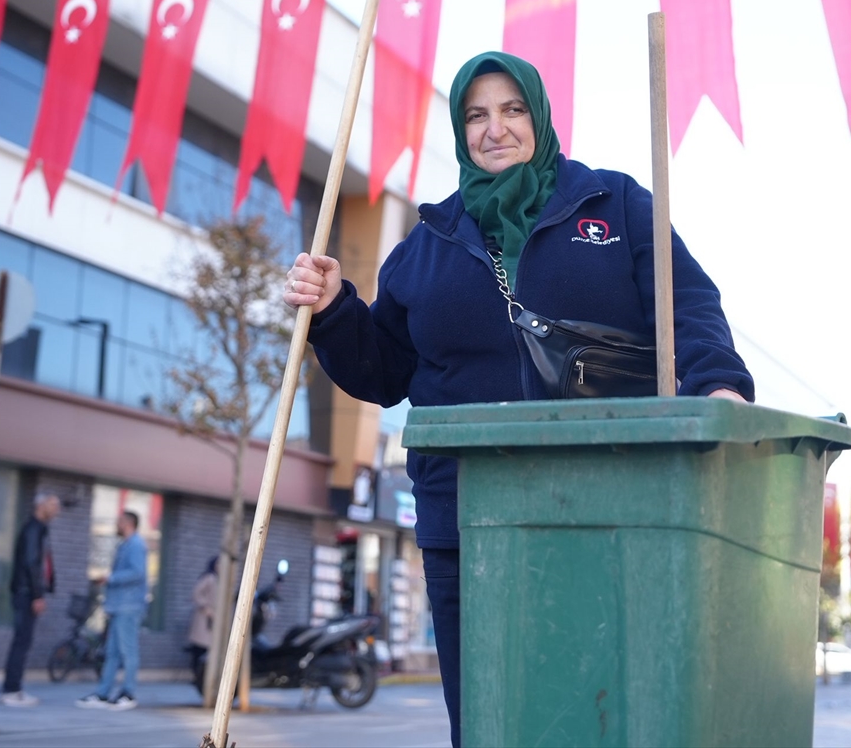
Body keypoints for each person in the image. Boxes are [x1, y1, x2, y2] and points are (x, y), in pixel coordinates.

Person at [283, 51, 754, 747]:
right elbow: (383, 371)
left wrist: (720, 387)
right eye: (476, 115)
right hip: (468, 521)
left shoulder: (614, 204)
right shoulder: (427, 242)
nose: (494, 129)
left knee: (604, 712)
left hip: (611, 506)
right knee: (489, 720)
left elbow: (689, 307)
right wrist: (333, 309)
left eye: (512, 110)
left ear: (539, 117)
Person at [76, 511, 147, 711]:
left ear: (129, 523)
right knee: (112, 652)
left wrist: (111, 578)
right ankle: (103, 693)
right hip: (118, 606)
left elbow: (138, 572)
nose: (117, 524)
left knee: (128, 651)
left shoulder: (136, 545)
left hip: (129, 606)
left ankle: (128, 693)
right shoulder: (125, 545)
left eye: (120, 521)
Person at [0, 491, 60, 707]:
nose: (57, 509)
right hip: (26, 593)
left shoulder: (38, 529)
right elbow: (32, 564)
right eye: (53, 504)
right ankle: (12, 690)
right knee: (22, 641)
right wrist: (37, 595)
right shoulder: (34, 530)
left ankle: (13, 688)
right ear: (40, 506)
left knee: (22, 641)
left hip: (26, 592)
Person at [187, 556, 219, 668]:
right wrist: (206, 606)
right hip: (205, 617)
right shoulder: (209, 578)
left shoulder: (220, 579)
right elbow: (196, 593)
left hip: (214, 617)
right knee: (200, 647)